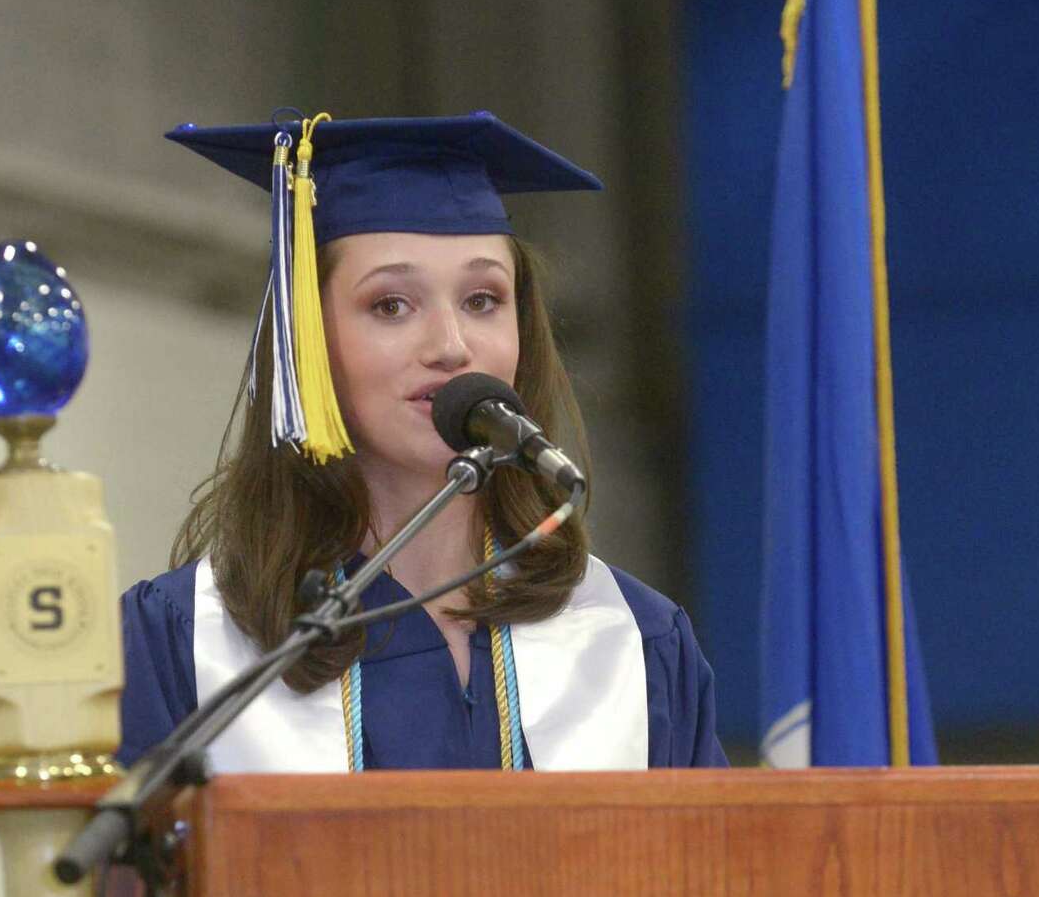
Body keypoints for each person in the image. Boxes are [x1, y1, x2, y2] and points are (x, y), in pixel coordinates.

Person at [119, 110, 726, 772]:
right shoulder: (189, 641)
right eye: (391, 306)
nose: (450, 346)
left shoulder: (633, 642)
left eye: (483, 300)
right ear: (308, 344)